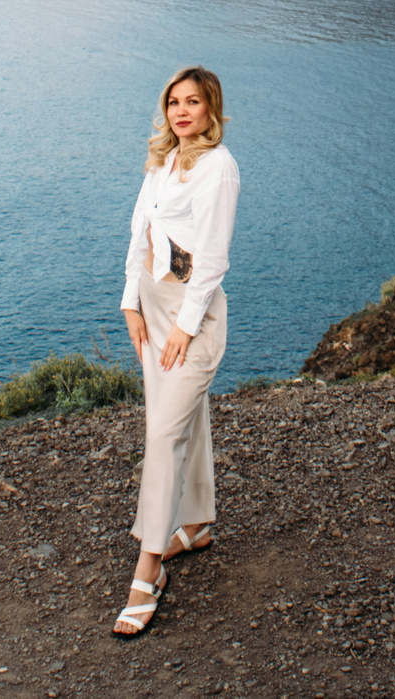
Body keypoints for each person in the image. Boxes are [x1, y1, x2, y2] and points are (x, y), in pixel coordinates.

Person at [111, 64, 241, 638]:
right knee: (186, 420)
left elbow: (212, 258)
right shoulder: (163, 160)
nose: (182, 111)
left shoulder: (220, 168)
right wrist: (129, 300)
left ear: (212, 108)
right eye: (173, 102)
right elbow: (139, 229)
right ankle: (198, 522)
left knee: (163, 434)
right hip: (153, 305)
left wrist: (186, 327)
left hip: (192, 313)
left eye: (193, 102)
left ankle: (149, 568)